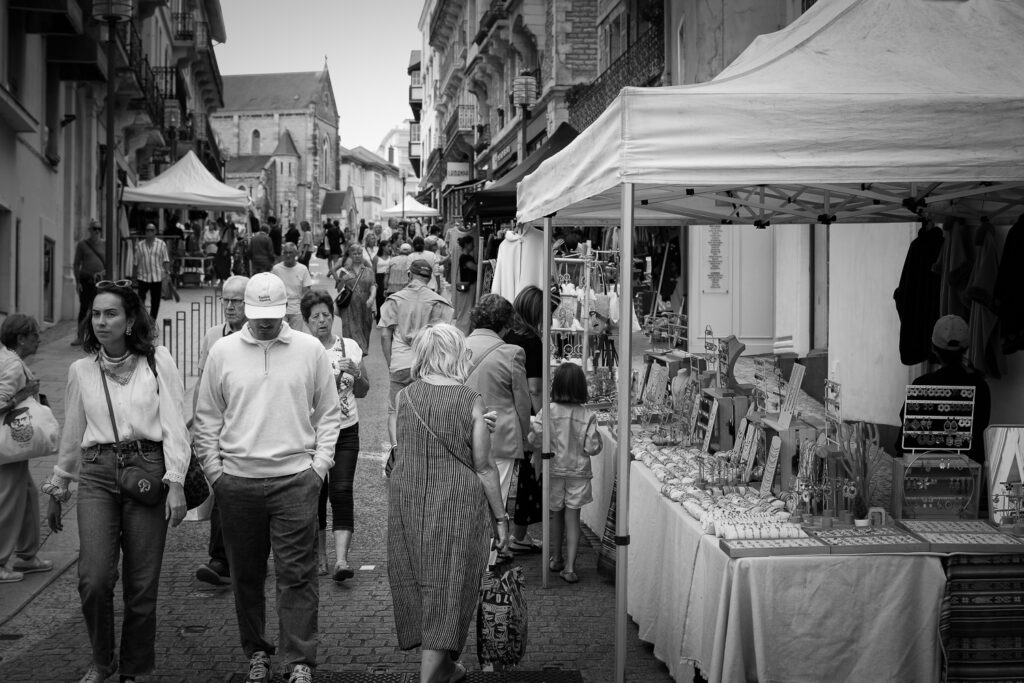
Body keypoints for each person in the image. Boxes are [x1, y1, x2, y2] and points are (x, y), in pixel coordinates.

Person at [193, 273, 341, 683]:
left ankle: (299, 659)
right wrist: (215, 471)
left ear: (286, 310)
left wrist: (319, 466)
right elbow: (206, 416)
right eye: (256, 314)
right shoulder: (223, 352)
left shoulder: (309, 350)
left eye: (271, 315)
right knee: (246, 576)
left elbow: (329, 413)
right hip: (236, 481)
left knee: (298, 574)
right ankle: (257, 650)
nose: (262, 322)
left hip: (296, 478)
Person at [42, 281, 190, 683]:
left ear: (129, 321)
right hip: (97, 473)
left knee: (141, 585)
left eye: (111, 314)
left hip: (147, 469)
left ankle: (134, 669)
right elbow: (73, 432)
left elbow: (176, 423)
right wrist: (60, 486)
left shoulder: (158, 361)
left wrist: (176, 480)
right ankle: (102, 661)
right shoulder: (81, 370)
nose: (102, 321)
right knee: (93, 579)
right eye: (96, 314)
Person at [387, 323, 509, 683]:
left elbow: (401, 448)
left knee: (421, 579)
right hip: (456, 501)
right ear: (455, 353)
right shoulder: (470, 399)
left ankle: (446, 669)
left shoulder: (404, 398)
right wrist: (500, 519)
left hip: (409, 497)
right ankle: (430, 678)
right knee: (449, 582)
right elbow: (485, 467)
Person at [301, 291, 367, 581]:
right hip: (312, 434)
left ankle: (341, 560)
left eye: (326, 314)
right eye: (314, 316)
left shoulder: (349, 347)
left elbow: (363, 390)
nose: (321, 321)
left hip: (346, 429)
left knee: (341, 491)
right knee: (315, 493)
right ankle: (320, 556)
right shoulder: (302, 352)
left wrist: (357, 373)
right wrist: (334, 380)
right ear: (306, 322)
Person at [464, 294, 537, 555]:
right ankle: (486, 561)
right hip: (500, 438)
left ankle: (472, 558)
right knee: (496, 501)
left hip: (462, 434)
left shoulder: (459, 347)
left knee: (468, 502)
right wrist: (525, 436)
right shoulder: (512, 353)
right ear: (505, 324)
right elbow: (522, 403)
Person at [895, 314, 992, 512]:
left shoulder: (922, 384)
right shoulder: (981, 387)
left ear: (933, 349)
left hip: (922, 478)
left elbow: (905, 435)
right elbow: (980, 429)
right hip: (967, 478)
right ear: (966, 348)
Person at [192, 275, 250, 587]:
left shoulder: (262, 333)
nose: (229, 306)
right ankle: (220, 559)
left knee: (247, 496)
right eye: (225, 300)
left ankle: (242, 555)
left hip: (251, 429)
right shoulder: (213, 336)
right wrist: (196, 423)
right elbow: (202, 383)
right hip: (221, 428)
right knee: (223, 491)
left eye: (236, 300)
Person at [527, 363, 602, 583]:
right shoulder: (587, 414)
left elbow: (535, 439)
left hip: (553, 469)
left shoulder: (547, 411)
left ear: (556, 384)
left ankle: (556, 557)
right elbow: (592, 448)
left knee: (555, 514)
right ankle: (570, 566)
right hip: (578, 471)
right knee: (573, 517)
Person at [378, 259, 453, 445]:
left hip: (400, 363)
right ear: (429, 279)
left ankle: (396, 451)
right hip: (427, 365)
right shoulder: (439, 302)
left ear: (409, 275)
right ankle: (421, 454)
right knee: (426, 412)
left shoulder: (395, 300)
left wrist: (390, 363)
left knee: (395, 411)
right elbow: (444, 339)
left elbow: (385, 336)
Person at [0, 315, 51, 584]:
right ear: (21, 339)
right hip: (6, 448)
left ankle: (27, 555)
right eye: (34, 334)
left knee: (28, 495)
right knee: (8, 501)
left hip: (11, 447)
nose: (39, 339)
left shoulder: (10, 359)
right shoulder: (11, 365)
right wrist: (24, 394)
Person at [330, 243, 376, 355]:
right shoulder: (345, 271)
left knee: (364, 334)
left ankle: (359, 356)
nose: (357, 255)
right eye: (354, 253)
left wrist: (372, 298)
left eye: (359, 253)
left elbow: (373, 285)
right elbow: (339, 289)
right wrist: (343, 280)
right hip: (349, 308)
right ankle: (354, 357)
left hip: (365, 307)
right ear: (350, 254)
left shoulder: (368, 270)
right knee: (351, 335)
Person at [72, 219, 107, 346]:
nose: (97, 231)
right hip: (86, 280)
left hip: (99, 281)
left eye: (99, 229)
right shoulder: (82, 245)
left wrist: (103, 273)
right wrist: (77, 282)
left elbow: (109, 263)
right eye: (94, 229)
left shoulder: (104, 244)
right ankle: (80, 336)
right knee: (84, 309)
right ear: (90, 230)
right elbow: (76, 264)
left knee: (98, 309)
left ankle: (96, 337)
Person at [132, 223, 171, 321]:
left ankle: (152, 321)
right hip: (143, 277)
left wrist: (167, 274)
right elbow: (136, 262)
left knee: (155, 301)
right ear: (145, 232)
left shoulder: (161, 244)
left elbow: (166, 260)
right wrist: (133, 277)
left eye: (151, 230)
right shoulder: (140, 245)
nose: (149, 232)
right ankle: (142, 319)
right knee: (140, 301)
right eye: (147, 230)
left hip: (156, 277)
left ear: (155, 232)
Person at [272, 243, 314, 333]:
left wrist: (305, 309)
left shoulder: (302, 269)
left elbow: (307, 291)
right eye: (285, 253)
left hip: (296, 309)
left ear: (296, 254)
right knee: (281, 335)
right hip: (280, 308)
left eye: (290, 253)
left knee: (296, 336)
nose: (288, 255)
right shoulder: (276, 269)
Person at [453, 236, 477, 334]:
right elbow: (476, 268)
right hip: (469, 286)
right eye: (471, 243)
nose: (473, 245)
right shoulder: (465, 258)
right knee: (466, 308)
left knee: (466, 308)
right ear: (467, 244)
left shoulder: (466, 257)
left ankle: (464, 330)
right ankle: (461, 330)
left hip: (469, 285)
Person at [375, 241, 393, 311]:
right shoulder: (376, 258)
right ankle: (379, 317)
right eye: (388, 246)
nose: (390, 248)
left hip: (388, 278)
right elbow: (373, 271)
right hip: (379, 278)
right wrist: (374, 282)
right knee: (379, 299)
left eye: (390, 246)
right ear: (383, 247)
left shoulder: (391, 257)